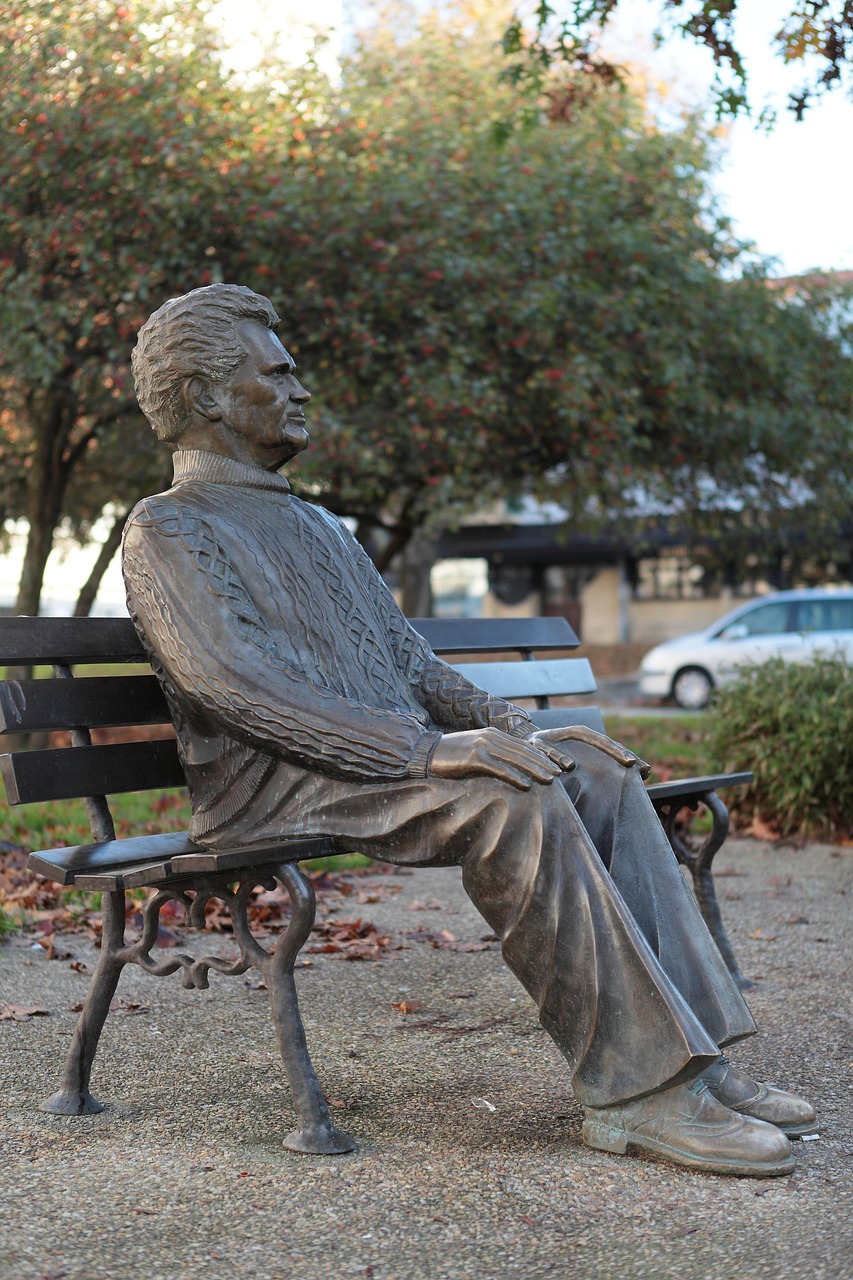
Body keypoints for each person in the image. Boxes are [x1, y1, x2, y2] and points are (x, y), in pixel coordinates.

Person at [123, 283, 816, 1177]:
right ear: (210, 396)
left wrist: (522, 728)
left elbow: (413, 667)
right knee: (509, 802)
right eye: (277, 372)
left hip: (373, 770)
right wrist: (425, 750)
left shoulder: (321, 528)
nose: (300, 389)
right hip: (276, 787)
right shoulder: (168, 527)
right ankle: (635, 1089)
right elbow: (239, 687)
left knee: (586, 772)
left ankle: (701, 1064)